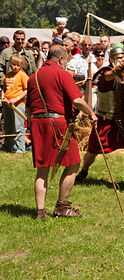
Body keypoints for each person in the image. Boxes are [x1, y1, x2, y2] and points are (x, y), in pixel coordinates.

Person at [26, 45, 96, 221]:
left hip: (37, 123)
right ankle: (62, 206)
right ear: (61, 59)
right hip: (56, 124)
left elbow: (28, 108)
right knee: (73, 163)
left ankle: (40, 213)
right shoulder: (61, 73)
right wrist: (91, 114)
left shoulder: (33, 77)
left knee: (42, 170)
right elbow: (77, 100)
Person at [75, 46, 124, 191]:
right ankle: (84, 171)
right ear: (111, 60)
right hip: (105, 120)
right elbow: (111, 75)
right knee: (92, 151)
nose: (122, 60)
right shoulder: (106, 73)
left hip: (122, 120)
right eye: (119, 58)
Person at [1, 54, 29, 154]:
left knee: (19, 126)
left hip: (18, 104)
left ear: (21, 66)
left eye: (18, 65)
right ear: (10, 64)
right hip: (7, 104)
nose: (15, 67)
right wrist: (3, 96)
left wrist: (16, 99)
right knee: (8, 126)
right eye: (13, 64)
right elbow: (4, 89)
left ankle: (20, 149)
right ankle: (8, 146)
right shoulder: (7, 76)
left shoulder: (22, 75)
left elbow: (26, 90)